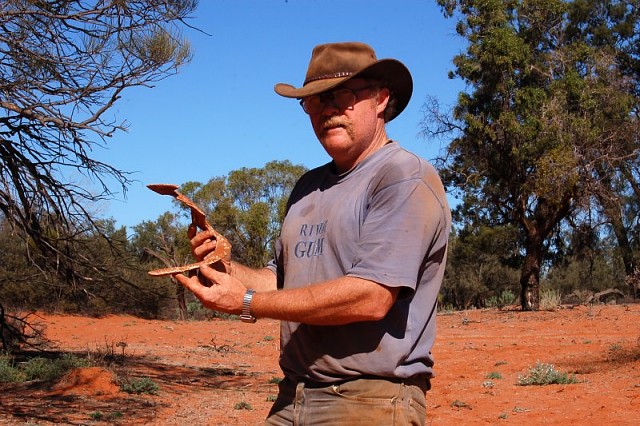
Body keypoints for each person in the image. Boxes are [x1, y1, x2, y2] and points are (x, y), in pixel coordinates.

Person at [175, 41, 451, 425]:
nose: (328, 110)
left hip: (369, 399)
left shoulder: (403, 177)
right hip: (293, 396)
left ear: (381, 99)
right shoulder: (307, 187)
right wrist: (226, 269)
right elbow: (278, 282)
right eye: (315, 101)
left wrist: (246, 302)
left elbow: (370, 297)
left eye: (343, 95)